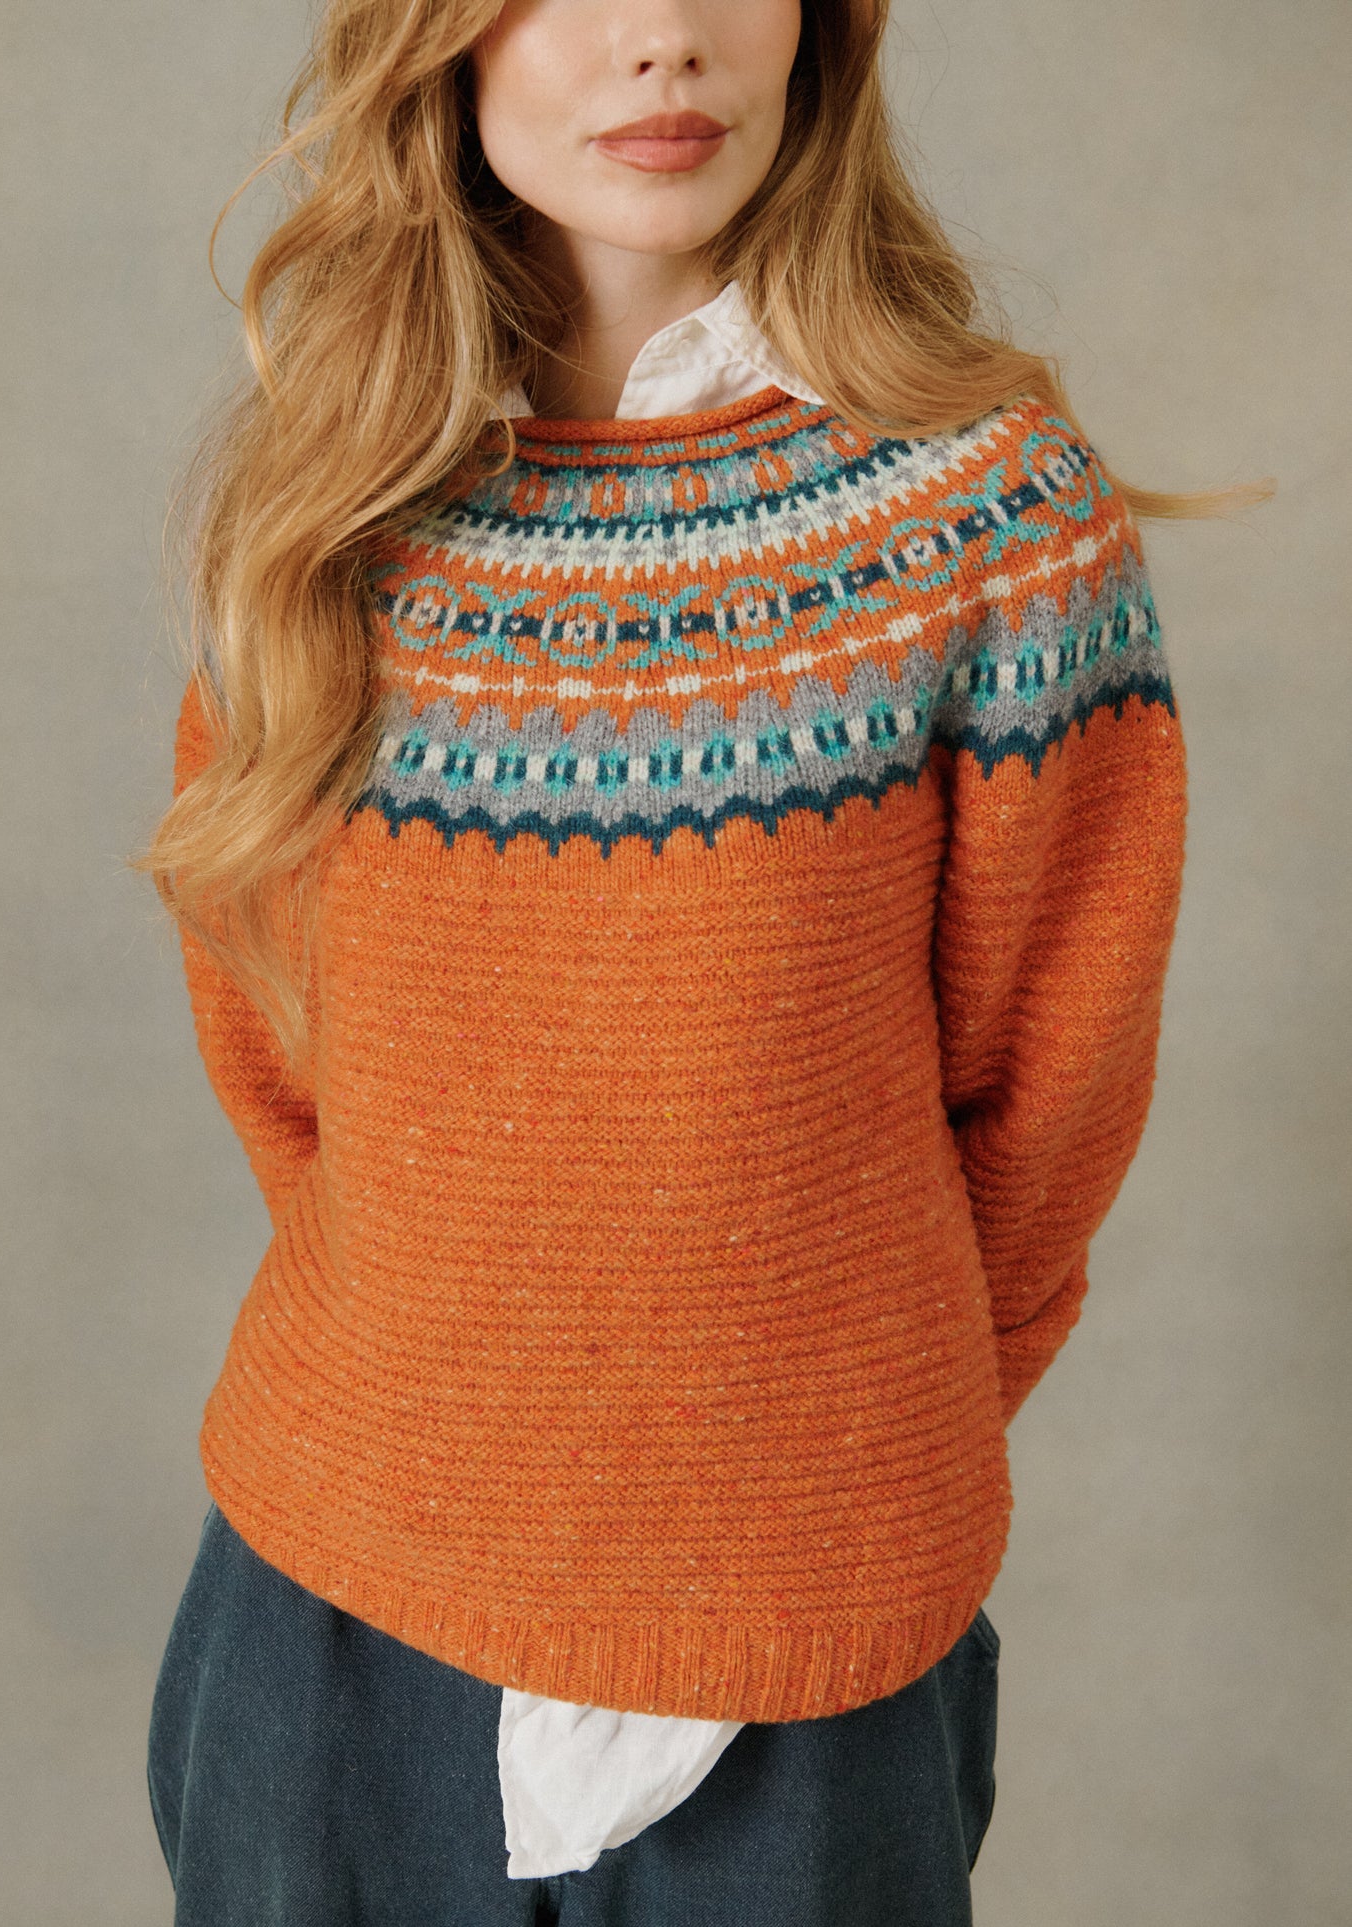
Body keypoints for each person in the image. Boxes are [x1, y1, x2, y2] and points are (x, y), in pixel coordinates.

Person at [136, 1, 1270, 1922]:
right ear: (441, 41)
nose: (662, 40)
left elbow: (1049, 1088)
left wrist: (816, 1443)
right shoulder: (329, 505)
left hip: (815, 1647)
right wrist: (472, 1366)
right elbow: (280, 1043)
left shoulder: (992, 512)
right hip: (334, 1618)